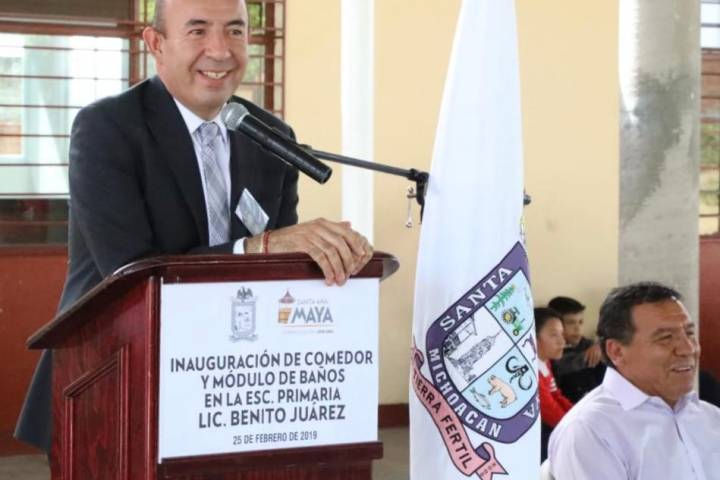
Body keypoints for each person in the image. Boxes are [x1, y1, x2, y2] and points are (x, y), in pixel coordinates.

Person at [15, 0, 372, 452]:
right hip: (110, 384)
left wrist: (331, 256)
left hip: (233, 391)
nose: (220, 50)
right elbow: (130, 275)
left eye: (235, 31)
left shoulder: (272, 137)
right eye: (198, 31)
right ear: (155, 43)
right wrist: (255, 247)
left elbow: (278, 270)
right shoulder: (108, 128)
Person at [549, 282, 720, 479]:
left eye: (689, 333)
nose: (688, 348)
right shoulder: (591, 430)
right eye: (666, 337)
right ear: (617, 351)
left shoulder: (710, 417)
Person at [548, 296, 605, 403]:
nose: (577, 328)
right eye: (571, 323)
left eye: (580, 322)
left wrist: (601, 348)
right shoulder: (551, 351)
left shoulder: (586, 344)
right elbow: (562, 365)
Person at [534, 307, 574, 462]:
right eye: (554, 335)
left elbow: (556, 395)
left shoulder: (545, 362)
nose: (562, 341)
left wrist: (578, 414)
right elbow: (549, 410)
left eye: (562, 334)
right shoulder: (532, 372)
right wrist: (576, 427)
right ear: (534, 338)